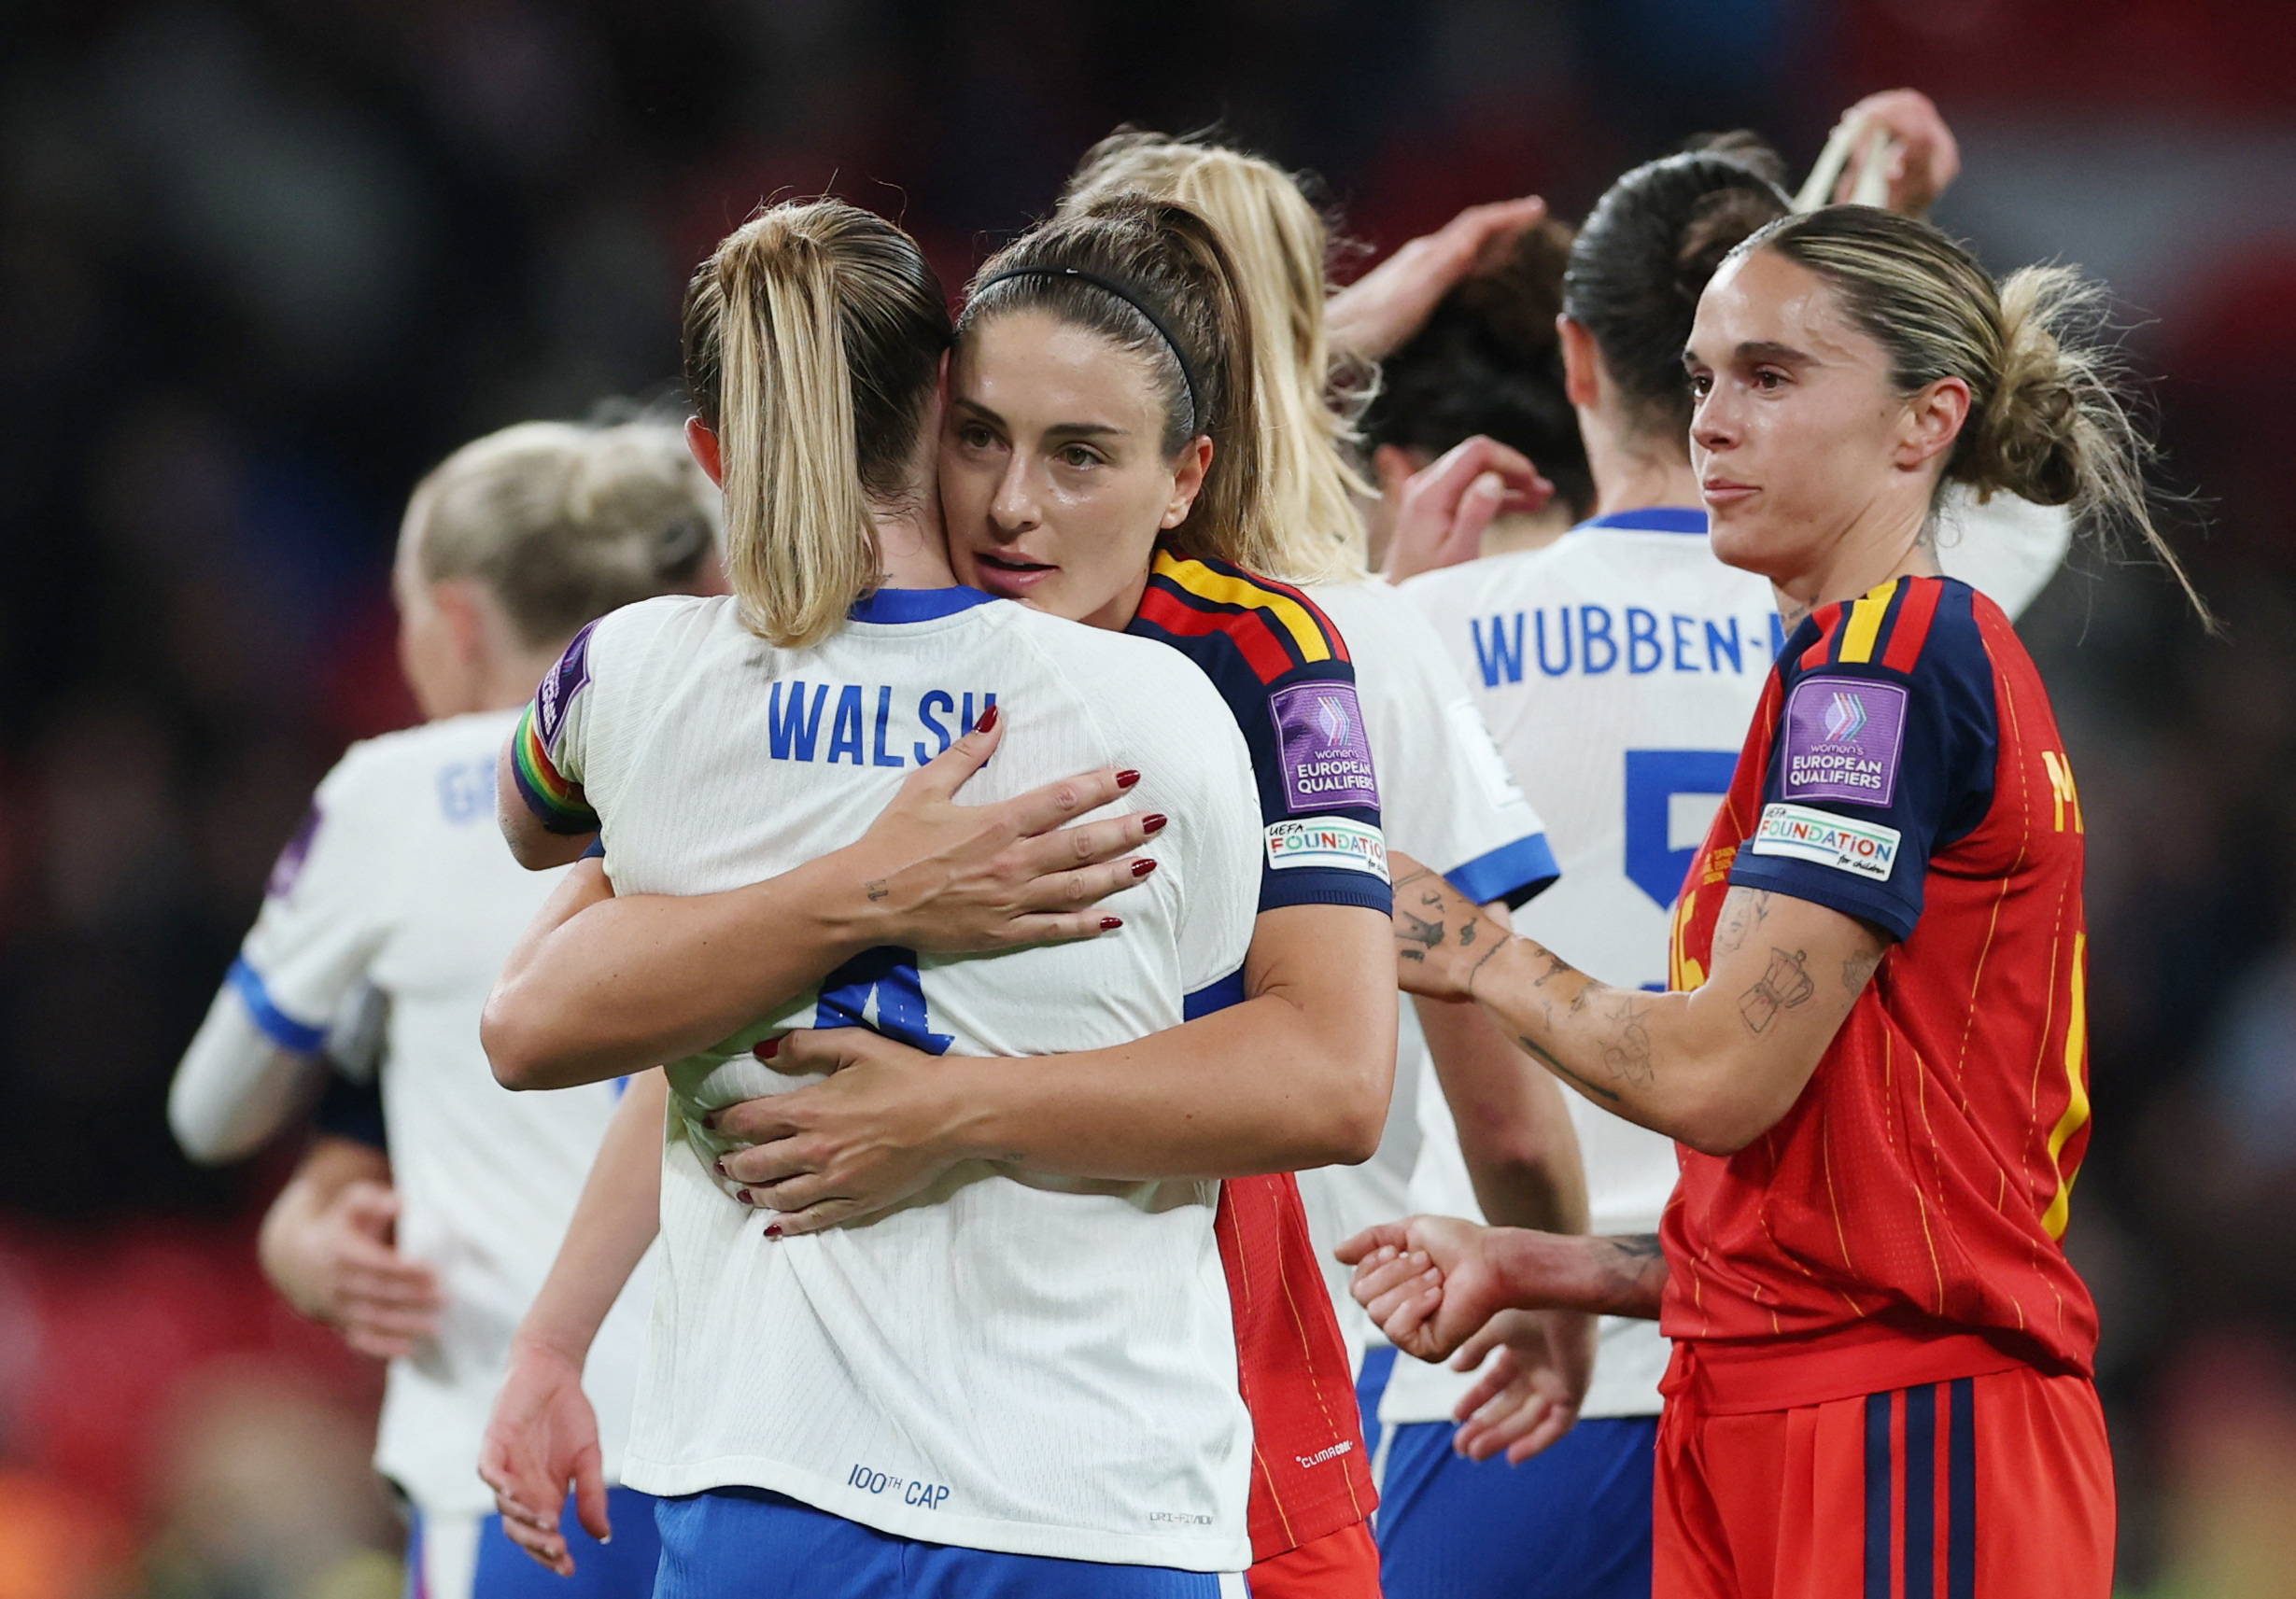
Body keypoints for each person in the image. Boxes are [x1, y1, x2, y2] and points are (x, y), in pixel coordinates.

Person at [479, 194, 1407, 1596]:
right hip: (1065, 1474)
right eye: (983, 438)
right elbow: (620, 1015)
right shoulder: (1142, 703)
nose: (1014, 503)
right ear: (928, 415)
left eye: (1077, 455)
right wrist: (866, 889)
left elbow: (1330, 1078)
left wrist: (937, 1105)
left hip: (1113, 1369)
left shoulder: (1241, 661)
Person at [1346, 202, 2209, 1597]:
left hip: (1900, 1442)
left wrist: (1466, 946)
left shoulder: (1884, 666)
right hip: (1794, 1408)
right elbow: (1823, 1219)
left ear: (1924, 422)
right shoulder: (1847, 665)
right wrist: (1537, 1263)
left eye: (1768, 376)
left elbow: (1717, 1074)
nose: (1711, 423)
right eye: (1697, 378)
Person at [1055, 128, 1588, 1510]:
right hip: (1276, 1366)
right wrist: (1550, 1295)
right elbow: (1509, 1124)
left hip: (1000, 1356)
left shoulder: (978, 635)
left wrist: (1304, 331)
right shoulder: (1368, 647)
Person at [165, 416, 724, 1599]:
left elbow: (212, 1112)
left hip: (521, 1468)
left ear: (455, 620)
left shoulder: (391, 794)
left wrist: (300, 1222)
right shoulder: (738, 757)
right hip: (755, 1462)